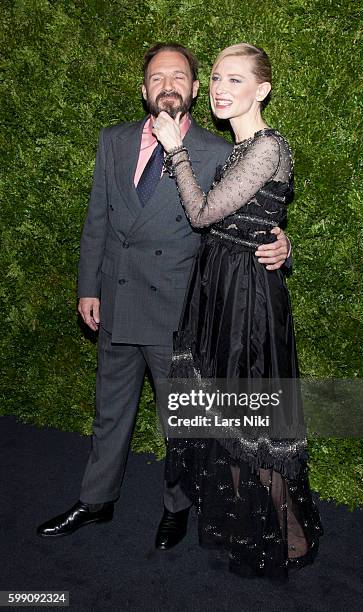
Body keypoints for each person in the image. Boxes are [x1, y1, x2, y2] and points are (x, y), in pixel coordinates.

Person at [36, 43, 291, 543]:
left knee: (180, 419)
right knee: (109, 410)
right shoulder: (113, 140)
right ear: (144, 89)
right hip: (115, 298)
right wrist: (89, 286)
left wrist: (279, 241)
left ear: (194, 89)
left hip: (179, 309)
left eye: (179, 76)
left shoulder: (219, 152)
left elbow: (244, 216)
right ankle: (95, 500)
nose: (167, 85)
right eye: (156, 77)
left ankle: (177, 508)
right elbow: (98, 221)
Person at [152, 43, 324, 580]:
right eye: (218, 79)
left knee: (253, 422)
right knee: (225, 419)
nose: (222, 89)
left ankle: (288, 537)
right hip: (221, 291)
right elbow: (248, 222)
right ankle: (249, 529)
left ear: (262, 90)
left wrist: (174, 149)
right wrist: (281, 241)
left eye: (235, 80)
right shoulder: (243, 148)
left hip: (246, 302)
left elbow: (203, 213)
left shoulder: (267, 146)